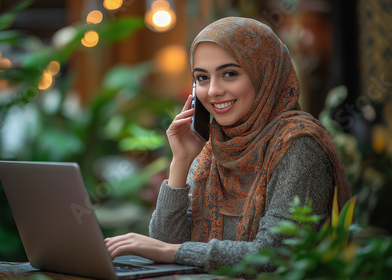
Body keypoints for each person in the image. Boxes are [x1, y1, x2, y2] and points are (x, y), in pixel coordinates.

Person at [104, 17, 351, 273]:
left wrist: (171, 252)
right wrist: (180, 162)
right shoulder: (212, 151)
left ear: (263, 74)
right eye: (202, 78)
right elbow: (165, 245)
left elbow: (274, 255)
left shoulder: (299, 146)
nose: (212, 91)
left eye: (229, 74)